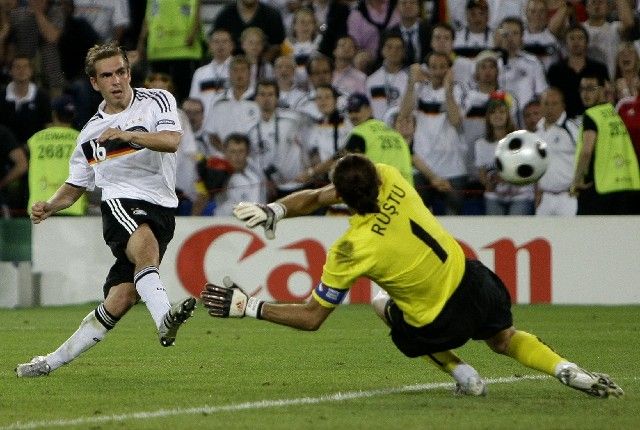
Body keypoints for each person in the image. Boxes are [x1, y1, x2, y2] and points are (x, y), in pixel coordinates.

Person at [202, 153, 625, 399]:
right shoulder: (391, 177)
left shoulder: (351, 249)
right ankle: (566, 368)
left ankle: (462, 374)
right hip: (474, 280)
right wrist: (276, 209)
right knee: (505, 339)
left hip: (438, 320)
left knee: (381, 305)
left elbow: (312, 317)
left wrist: (250, 307)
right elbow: (318, 195)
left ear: (343, 201)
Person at [15, 42, 196, 378]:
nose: (116, 81)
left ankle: (48, 362)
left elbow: (171, 140)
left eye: (121, 72)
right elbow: (75, 186)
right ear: (94, 83)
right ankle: (165, 318)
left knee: (122, 298)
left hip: (162, 208)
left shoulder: (158, 100)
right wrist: (50, 206)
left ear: (129, 72)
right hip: (120, 204)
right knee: (146, 250)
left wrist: (127, 135)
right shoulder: (92, 135)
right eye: (107, 75)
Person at [570, 72, 640, 215]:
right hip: (626, 185)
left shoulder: (591, 115)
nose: (585, 94)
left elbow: (586, 151)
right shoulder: (613, 114)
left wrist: (576, 181)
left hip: (599, 188)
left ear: (603, 89)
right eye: (582, 89)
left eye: (591, 88)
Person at [27, 94, 87, 216]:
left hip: (39, 208)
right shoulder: (82, 140)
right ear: (73, 115)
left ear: (54, 114)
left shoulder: (34, 140)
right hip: (72, 206)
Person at [474, 97, 535, 215]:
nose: (498, 116)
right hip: (494, 196)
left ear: (508, 116)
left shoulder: (521, 140)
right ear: (488, 117)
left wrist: (508, 177)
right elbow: (481, 172)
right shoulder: (480, 144)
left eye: (502, 112)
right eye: (493, 112)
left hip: (520, 196)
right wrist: (489, 183)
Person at [534, 87, 579, 216]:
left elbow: (584, 155)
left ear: (563, 106)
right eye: (546, 104)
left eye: (554, 104)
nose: (550, 108)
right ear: (540, 106)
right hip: (544, 197)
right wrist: (537, 191)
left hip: (568, 197)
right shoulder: (537, 132)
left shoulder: (572, 129)